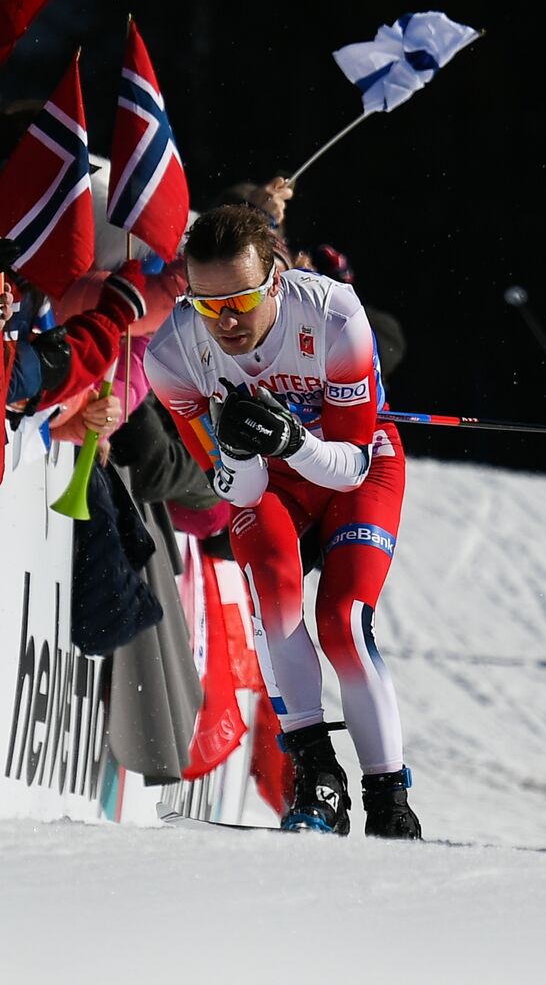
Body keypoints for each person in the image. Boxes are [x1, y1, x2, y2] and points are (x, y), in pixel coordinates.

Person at [144, 205, 420, 839]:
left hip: (355, 465)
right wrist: (237, 451)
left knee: (344, 620)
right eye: (209, 308)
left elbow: (350, 467)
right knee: (275, 599)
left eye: (240, 301)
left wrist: (292, 440)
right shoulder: (172, 352)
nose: (228, 323)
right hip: (270, 480)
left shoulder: (333, 314)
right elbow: (232, 489)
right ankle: (316, 772)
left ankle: (388, 794)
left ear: (275, 279)